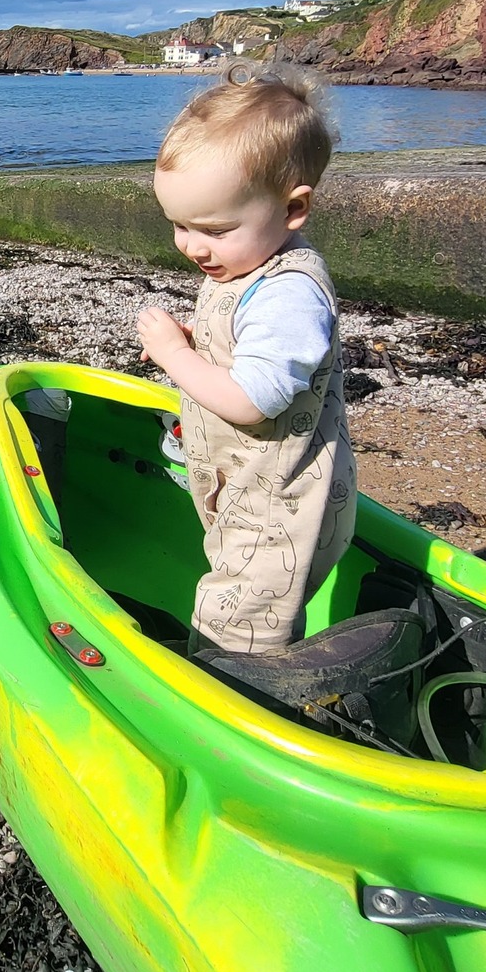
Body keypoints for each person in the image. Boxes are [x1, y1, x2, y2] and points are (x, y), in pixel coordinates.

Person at [136, 71, 357, 658]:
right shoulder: (248, 262)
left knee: (237, 627)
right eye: (179, 225)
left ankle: (235, 693)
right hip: (248, 486)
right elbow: (251, 350)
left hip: (281, 505)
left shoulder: (290, 293)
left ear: (293, 208)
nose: (191, 246)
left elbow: (251, 399)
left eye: (213, 229)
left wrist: (175, 355)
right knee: (238, 596)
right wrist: (201, 345)